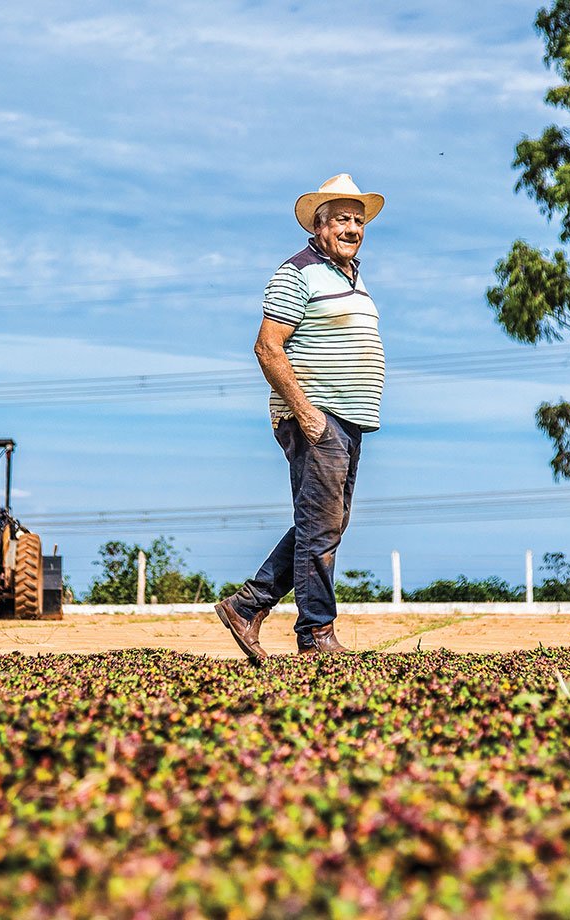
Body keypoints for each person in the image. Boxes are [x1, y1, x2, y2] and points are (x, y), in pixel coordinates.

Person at [214, 174, 385, 661]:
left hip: (348, 418)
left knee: (326, 523)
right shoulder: (298, 272)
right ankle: (315, 633)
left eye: (358, 220)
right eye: (341, 219)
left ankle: (248, 606)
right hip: (318, 417)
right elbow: (268, 347)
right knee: (321, 525)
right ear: (319, 224)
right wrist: (306, 414)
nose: (352, 228)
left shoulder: (350, 276)